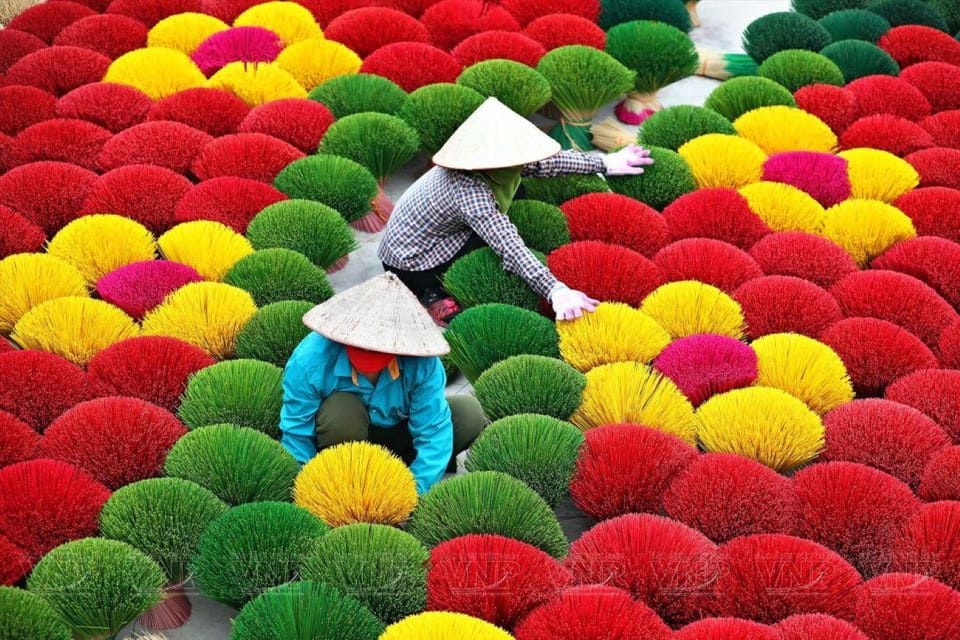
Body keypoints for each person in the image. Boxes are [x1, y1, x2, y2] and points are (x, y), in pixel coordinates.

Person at [379, 97, 654, 325]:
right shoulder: (469, 191)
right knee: (495, 246)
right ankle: (429, 292)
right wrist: (555, 290)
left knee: (519, 191)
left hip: (439, 232)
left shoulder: (500, 163)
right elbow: (510, 247)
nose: (526, 159)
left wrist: (604, 163)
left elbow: (549, 163)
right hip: (413, 261)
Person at [279, 272, 486, 494]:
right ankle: (348, 477)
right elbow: (297, 432)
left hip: (400, 435)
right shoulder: (311, 359)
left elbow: (432, 431)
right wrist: (309, 485)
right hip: (344, 440)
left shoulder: (422, 362)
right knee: (342, 409)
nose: (369, 352)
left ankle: (399, 470)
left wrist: (412, 491)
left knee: (468, 413)